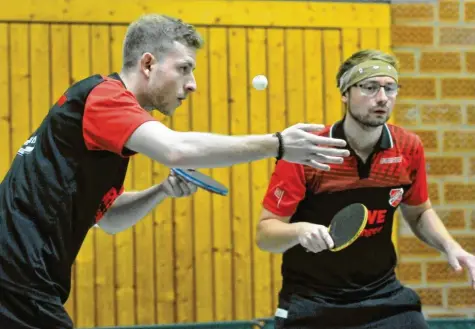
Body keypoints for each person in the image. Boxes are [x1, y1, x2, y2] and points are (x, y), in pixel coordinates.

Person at [0, 14, 351, 329]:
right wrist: (277, 143)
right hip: (14, 273)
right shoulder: (106, 99)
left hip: (25, 275)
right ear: (148, 64)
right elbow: (176, 150)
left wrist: (160, 191)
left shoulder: (106, 123)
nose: (193, 83)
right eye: (184, 68)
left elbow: (108, 219)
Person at [256, 49, 475, 329]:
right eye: (370, 87)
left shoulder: (407, 147)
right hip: (313, 301)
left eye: (390, 87)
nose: (382, 98)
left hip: (384, 297)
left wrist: (451, 247)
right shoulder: (309, 151)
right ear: (345, 93)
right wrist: (299, 231)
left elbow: (419, 212)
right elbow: (265, 234)